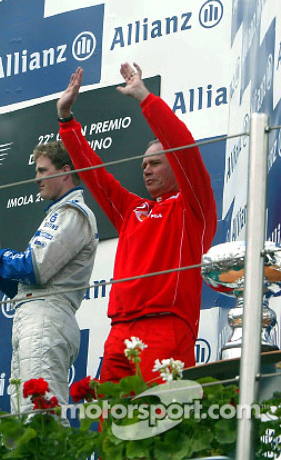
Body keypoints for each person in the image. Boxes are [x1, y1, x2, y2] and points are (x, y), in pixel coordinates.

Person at [58, 64, 217, 382]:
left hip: (166, 325)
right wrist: (66, 121)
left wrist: (145, 98)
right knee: (111, 427)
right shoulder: (133, 210)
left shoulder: (192, 209)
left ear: (175, 165)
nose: (146, 170)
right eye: (144, 164)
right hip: (119, 332)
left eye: (156, 163)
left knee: (160, 422)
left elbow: (183, 145)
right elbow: (95, 175)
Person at [0, 140, 98, 412]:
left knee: (39, 414)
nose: (36, 179)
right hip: (35, 315)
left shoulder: (72, 213)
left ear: (65, 171)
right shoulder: (58, 213)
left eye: (42, 171)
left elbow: (34, 268)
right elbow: (19, 287)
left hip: (47, 316)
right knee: (24, 418)